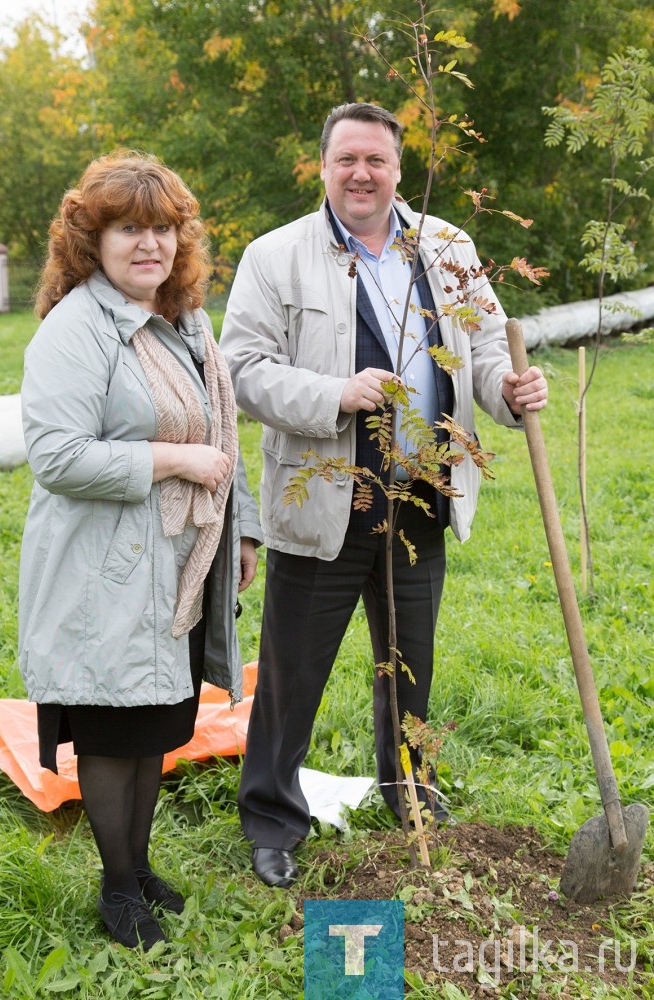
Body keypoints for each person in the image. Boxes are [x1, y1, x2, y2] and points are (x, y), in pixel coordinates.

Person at [220, 102, 548, 889]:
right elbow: (242, 369)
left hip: (422, 496)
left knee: (410, 668)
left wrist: (511, 389)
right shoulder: (276, 257)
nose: (361, 174)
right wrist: (335, 391)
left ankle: (411, 793)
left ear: (398, 169)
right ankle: (272, 818)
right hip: (327, 497)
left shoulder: (447, 245)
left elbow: (484, 350)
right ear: (323, 166)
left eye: (376, 160)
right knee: (293, 672)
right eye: (346, 161)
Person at [19, 151, 262, 948]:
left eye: (162, 228)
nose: (148, 244)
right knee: (112, 735)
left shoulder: (185, 317)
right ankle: (118, 889)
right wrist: (171, 463)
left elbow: (217, 430)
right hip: (107, 574)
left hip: (178, 567)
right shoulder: (76, 328)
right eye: (129, 228)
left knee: (157, 727)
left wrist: (241, 525)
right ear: (93, 239)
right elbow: (56, 454)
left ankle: (140, 862)